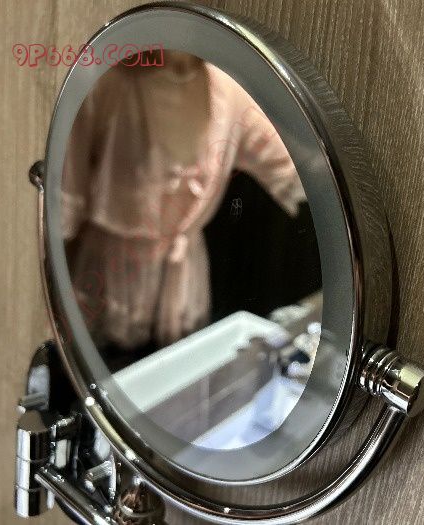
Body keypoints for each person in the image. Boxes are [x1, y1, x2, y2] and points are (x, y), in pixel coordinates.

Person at [62, 50, 305, 360]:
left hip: (184, 280)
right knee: (104, 366)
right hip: (112, 276)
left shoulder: (229, 93)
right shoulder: (107, 83)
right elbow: (66, 193)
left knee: (177, 370)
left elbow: (295, 171)